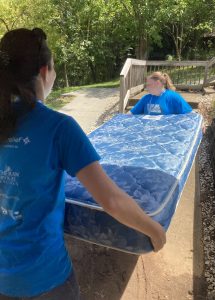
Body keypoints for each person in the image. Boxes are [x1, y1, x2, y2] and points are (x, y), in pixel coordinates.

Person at [0, 28, 166, 299]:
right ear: (45, 72)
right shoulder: (58, 127)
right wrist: (155, 230)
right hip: (44, 278)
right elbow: (111, 200)